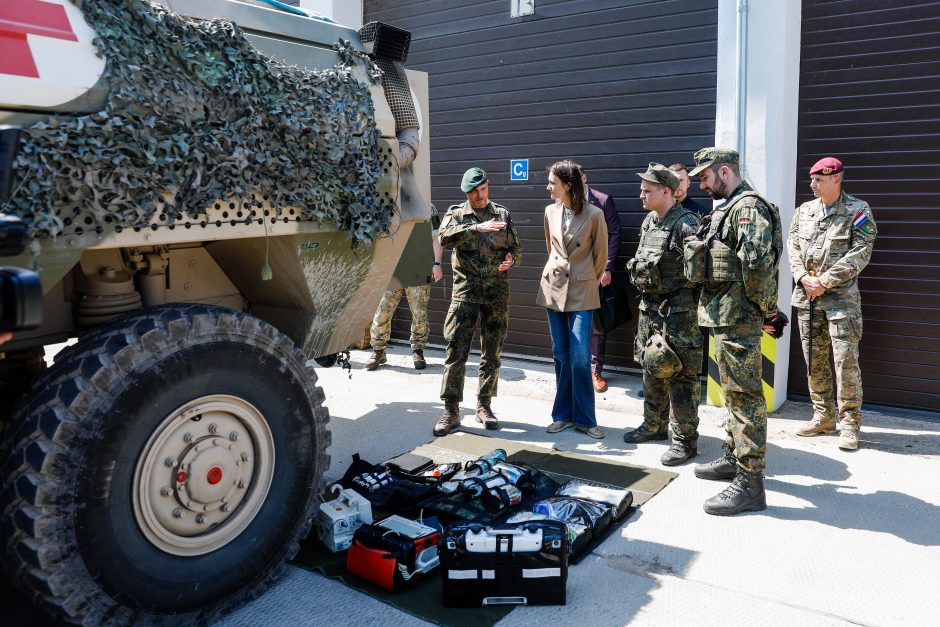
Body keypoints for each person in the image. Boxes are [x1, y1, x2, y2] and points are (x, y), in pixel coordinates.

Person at [687, 147, 781, 515]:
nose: (702, 184)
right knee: (732, 393)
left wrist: (769, 312)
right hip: (724, 315)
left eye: (705, 177)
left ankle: (750, 483)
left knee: (745, 398)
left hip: (740, 316)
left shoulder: (747, 208)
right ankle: (733, 456)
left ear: (724, 171)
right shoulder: (728, 208)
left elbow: (757, 267)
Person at [788, 157, 876, 451]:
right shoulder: (804, 212)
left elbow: (861, 252)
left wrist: (824, 280)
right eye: (811, 179)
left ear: (836, 179)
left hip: (841, 301)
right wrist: (802, 277)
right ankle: (823, 417)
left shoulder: (857, 210)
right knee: (814, 361)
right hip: (807, 298)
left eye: (819, 180)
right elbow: (792, 248)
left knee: (845, 362)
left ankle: (850, 424)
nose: (812, 185)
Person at [622, 164, 702, 466]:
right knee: (650, 368)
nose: (641, 194)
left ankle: (685, 441)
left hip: (678, 314)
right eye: (642, 189)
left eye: (647, 190)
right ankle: (653, 425)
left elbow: (700, 276)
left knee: (681, 377)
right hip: (650, 310)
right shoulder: (648, 222)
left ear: (666, 192)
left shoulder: (687, 224)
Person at [434, 168, 521, 436]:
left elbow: (515, 248)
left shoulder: (502, 215)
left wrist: (511, 260)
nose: (480, 195)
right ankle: (451, 411)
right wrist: (476, 228)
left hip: (496, 294)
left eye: (483, 189)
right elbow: (444, 238)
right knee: (455, 352)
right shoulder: (456, 214)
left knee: (492, 353)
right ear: (466, 193)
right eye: (474, 191)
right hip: (465, 294)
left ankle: (484, 406)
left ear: (488, 186)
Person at [538, 160, 609, 439]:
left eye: (553, 183)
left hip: (582, 290)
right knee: (561, 354)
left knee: (580, 355)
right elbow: (550, 248)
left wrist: (586, 278)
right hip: (553, 287)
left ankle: (585, 419)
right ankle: (562, 415)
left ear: (568, 185)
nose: (549, 187)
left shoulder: (594, 215)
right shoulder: (548, 211)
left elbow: (600, 257)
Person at [365, 207, 444, 371]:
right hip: (391, 270)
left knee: (419, 313)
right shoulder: (386, 205)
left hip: (418, 269)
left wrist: (437, 263)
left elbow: (436, 237)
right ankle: (378, 351)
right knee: (382, 311)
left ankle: (418, 350)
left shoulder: (427, 207)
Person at [582, 170, 622, 394]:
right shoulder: (562, 203)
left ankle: (596, 372)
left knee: (597, 324)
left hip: (596, 271)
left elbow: (615, 233)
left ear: (584, 178)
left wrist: (607, 267)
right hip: (572, 274)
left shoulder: (603, 200)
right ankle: (578, 370)